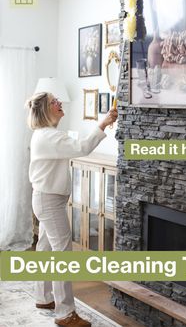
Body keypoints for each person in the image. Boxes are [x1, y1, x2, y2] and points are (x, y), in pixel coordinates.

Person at [26, 92, 118, 327]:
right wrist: (104, 123)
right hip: (49, 201)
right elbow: (83, 147)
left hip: (46, 200)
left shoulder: (45, 135)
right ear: (45, 110)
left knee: (46, 249)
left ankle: (43, 297)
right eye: (54, 102)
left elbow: (76, 146)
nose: (60, 103)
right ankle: (65, 313)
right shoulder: (48, 137)